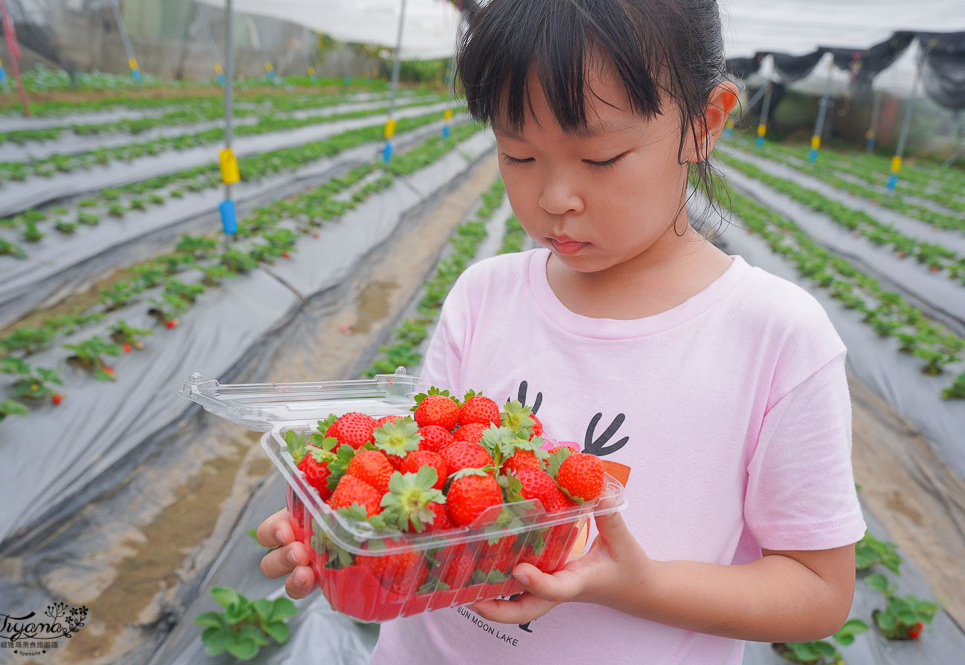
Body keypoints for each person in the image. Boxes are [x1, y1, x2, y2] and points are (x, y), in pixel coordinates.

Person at [255, 0, 867, 662]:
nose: (554, 197)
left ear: (703, 123)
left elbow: (819, 590)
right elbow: (427, 483)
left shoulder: (774, 338)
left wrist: (639, 585)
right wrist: (351, 534)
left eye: (600, 157)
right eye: (518, 154)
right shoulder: (483, 295)